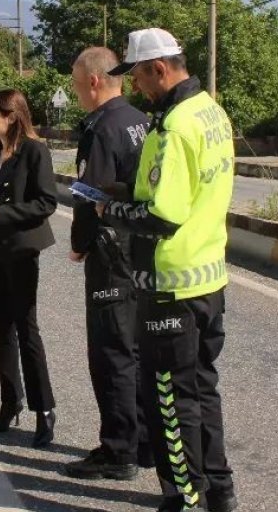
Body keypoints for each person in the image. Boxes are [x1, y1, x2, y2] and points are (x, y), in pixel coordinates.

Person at [99, 29, 238, 512]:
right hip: (208, 278)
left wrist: (106, 212)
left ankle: (186, 498)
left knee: (169, 401)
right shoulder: (211, 111)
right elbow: (181, 195)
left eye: (137, 76)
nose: (136, 87)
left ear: (159, 68)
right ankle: (218, 491)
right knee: (201, 388)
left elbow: (162, 215)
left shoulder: (175, 126)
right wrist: (120, 192)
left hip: (169, 285)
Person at [64, 47, 152, 481]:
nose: (76, 92)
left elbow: (89, 194)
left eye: (77, 83)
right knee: (136, 351)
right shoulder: (140, 120)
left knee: (111, 354)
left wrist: (79, 243)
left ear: (94, 81)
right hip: (142, 250)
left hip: (110, 251)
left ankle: (119, 452)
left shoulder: (101, 130)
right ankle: (143, 442)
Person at [0, 89, 59, 448]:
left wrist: (0, 213)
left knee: (26, 328)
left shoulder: (35, 152)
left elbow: (46, 202)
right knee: (2, 329)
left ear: (11, 116)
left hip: (22, 251)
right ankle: (10, 403)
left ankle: (44, 410)